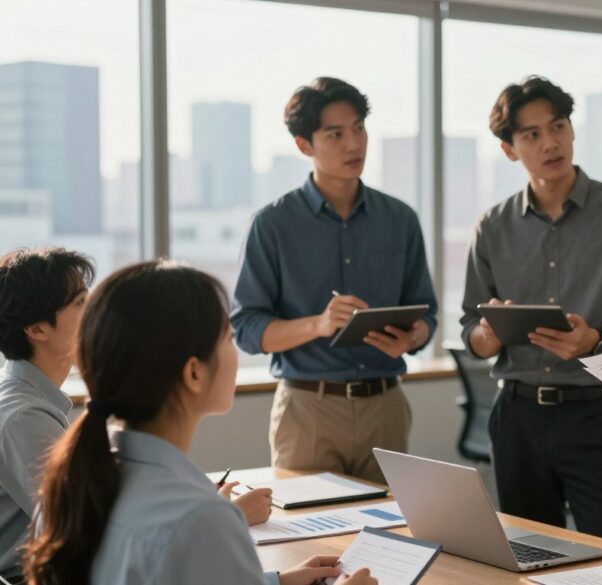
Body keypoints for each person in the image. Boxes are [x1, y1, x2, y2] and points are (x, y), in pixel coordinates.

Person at [22, 260, 376, 585]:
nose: (234, 352)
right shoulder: (202, 519)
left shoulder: (68, 488)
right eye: (226, 338)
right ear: (193, 372)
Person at [460, 76, 602, 545]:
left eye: (557, 126)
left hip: (593, 413)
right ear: (510, 150)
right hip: (515, 417)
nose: (550, 142)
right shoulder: (492, 226)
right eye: (531, 134)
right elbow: (470, 329)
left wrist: (595, 339)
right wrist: (490, 334)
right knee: (530, 560)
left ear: (572, 131)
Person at [232, 77, 438, 484]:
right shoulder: (272, 225)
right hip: (309, 410)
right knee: (306, 539)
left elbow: (427, 313)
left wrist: (412, 338)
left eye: (359, 127)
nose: (353, 143)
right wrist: (319, 324)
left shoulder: (400, 219)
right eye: (336, 133)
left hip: (386, 408)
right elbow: (246, 329)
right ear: (304, 145)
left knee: (391, 542)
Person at [0, 248, 93, 584]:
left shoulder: (31, 398)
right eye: (81, 303)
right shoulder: (22, 415)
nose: (95, 311)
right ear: (38, 329)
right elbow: (83, 528)